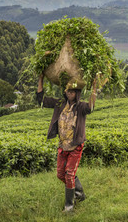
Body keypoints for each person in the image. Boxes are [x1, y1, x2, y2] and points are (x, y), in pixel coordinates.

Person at [37, 74, 97, 212]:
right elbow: (41, 100)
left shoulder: (81, 107)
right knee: (60, 174)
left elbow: (91, 106)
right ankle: (79, 193)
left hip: (75, 146)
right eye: (68, 91)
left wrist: (94, 88)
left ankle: (69, 206)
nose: (69, 93)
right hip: (63, 146)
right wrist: (40, 79)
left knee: (69, 174)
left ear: (77, 93)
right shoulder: (60, 104)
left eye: (72, 91)